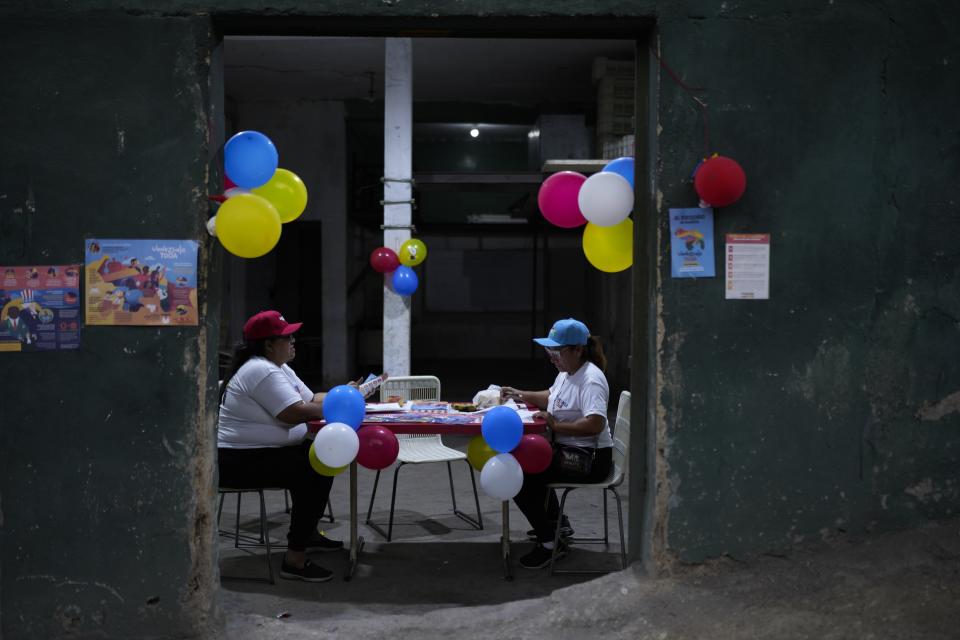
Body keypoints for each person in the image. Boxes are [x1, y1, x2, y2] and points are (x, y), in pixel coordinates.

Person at [218, 310, 350, 582]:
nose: (293, 341)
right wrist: (341, 405)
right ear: (268, 344)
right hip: (236, 461)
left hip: (259, 454)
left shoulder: (279, 367)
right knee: (312, 467)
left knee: (323, 458)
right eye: (287, 337)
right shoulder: (260, 370)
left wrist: (345, 393)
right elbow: (293, 413)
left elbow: (313, 398)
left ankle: (307, 533)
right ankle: (294, 559)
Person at [500, 317, 613, 569]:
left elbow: (594, 423)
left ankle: (550, 542)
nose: (552, 357)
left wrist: (555, 425)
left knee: (520, 475)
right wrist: (518, 393)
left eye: (557, 351)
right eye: (549, 351)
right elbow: (551, 395)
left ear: (577, 349)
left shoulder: (590, 380)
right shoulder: (567, 372)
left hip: (590, 460)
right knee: (530, 461)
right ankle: (556, 524)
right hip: (571, 450)